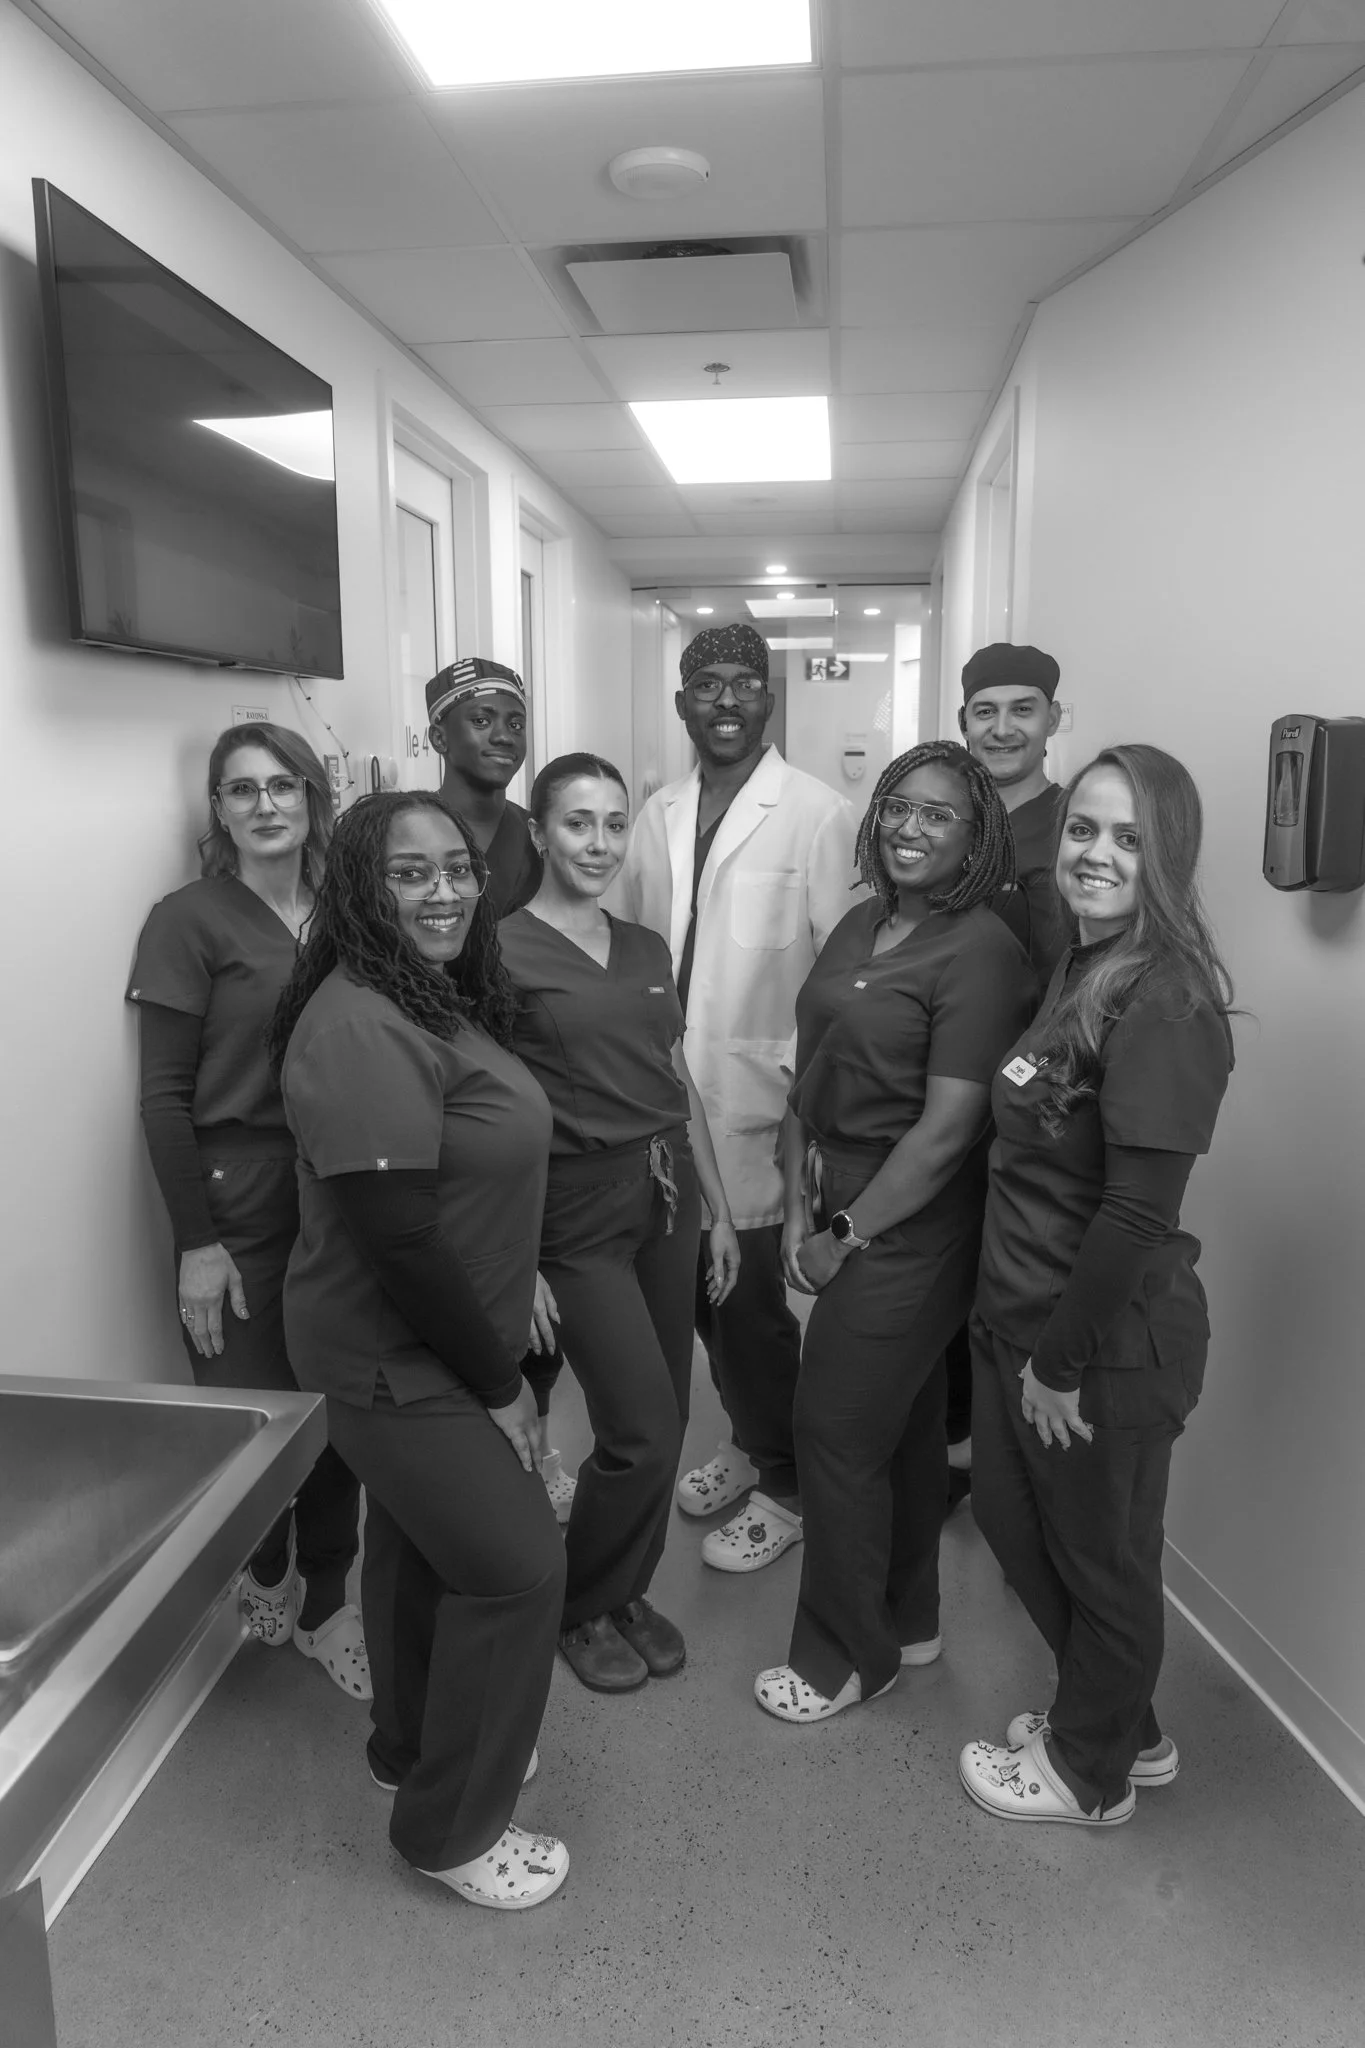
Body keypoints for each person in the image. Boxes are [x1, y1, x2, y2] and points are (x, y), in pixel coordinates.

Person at [269, 791, 569, 1909]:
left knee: (413, 1550)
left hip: (434, 1339)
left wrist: (522, 1264)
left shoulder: (423, 992)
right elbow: (397, 1235)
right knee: (517, 1565)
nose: (443, 889)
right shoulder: (357, 1025)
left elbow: (462, 1168)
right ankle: (451, 1827)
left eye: (457, 866)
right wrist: (503, 1390)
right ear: (360, 886)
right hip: (396, 1356)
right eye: (410, 872)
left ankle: (414, 1744)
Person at [959, 744, 1234, 1828]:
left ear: (1167, 854)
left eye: (1128, 837)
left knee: (1102, 1561)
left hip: (1096, 1348)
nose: (1097, 853)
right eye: (1083, 828)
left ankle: (1090, 1773)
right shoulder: (1083, 964)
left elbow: (1135, 1212)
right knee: (1009, 1515)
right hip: (1021, 1320)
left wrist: (1059, 1364)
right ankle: (1124, 1722)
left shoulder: (1166, 1002)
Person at [752, 740, 1033, 1722]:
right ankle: (910, 1620)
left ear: (976, 835)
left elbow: (950, 1125)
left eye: (940, 814)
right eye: (898, 806)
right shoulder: (863, 921)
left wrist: (840, 1231)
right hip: (830, 1178)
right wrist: (792, 1195)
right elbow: (813, 1059)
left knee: (830, 1426)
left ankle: (841, 1655)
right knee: (906, 1427)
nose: (912, 827)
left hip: (907, 1216)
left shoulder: (983, 951)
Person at [616, 622, 860, 1575]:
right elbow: (632, 952)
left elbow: (843, 981)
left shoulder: (818, 813)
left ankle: (790, 1484)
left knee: (750, 1308)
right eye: (705, 685)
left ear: (769, 702)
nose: (725, 700)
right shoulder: (654, 812)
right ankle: (750, 1442)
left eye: (743, 686)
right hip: (661, 1097)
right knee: (692, 1299)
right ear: (680, 703)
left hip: (761, 1100)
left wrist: (825, 1119)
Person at [128, 724, 366, 1698]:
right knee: (258, 1414)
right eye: (241, 790)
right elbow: (161, 1096)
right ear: (219, 811)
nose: (265, 804)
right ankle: (266, 1563)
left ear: (313, 796)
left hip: (345, 1192)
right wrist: (198, 1244)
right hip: (239, 1202)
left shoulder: (350, 913)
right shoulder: (186, 920)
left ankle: (327, 1605)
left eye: (282, 785)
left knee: (341, 1409)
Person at [500, 754, 741, 1692]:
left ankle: (624, 1589)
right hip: (571, 1209)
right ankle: (579, 1605)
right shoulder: (499, 950)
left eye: (612, 824)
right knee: (637, 1424)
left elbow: (675, 1083)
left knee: (673, 1412)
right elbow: (485, 1114)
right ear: (539, 833)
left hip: (665, 1193)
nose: (597, 843)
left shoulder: (644, 948)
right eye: (576, 823)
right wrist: (516, 1260)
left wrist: (719, 1210)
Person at [945, 642, 1077, 1508]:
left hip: (1035, 1114)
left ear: (1052, 722)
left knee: (1014, 1296)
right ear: (961, 724)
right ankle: (958, 1457)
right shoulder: (950, 819)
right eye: (985, 711)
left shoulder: (1073, 826)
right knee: (946, 1289)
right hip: (944, 1099)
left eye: (1021, 710)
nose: (1002, 728)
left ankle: (1009, 1482)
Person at [427, 656, 542, 917]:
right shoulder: (404, 832)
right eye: (481, 721)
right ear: (438, 737)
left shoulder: (539, 838)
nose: (504, 737)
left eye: (516, 725)